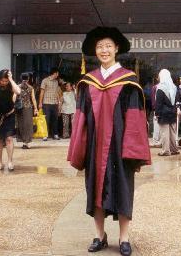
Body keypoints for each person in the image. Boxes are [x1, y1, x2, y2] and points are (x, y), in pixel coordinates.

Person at [67, 26, 151, 256]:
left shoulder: (128, 81)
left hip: (120, 144)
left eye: (108, 46)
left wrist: (133, 149)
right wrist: (80, 146)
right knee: (95, 187)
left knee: (123, 187)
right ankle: (99, 235)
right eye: (100, 47)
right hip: (95, 145)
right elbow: (81, 117)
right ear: (95, 51)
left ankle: (124, 238)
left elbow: (135, 118)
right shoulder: (88, 82)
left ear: (116, 49)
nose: (104, 50)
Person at [0, 69, 21, 171]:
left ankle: (10, 161)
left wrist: (11, 79)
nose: (4, 83)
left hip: (9, 116)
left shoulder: (11, 85)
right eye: (2, 81)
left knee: (9, 138)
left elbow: (18, 91)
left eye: (6, 81)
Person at [155, 69, 180, 156]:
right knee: (172, 132)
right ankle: (174, 149)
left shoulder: (160, 88)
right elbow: (176, 100)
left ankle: (165, 151)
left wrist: (157, 113)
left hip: (163, 113)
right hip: (173, 112)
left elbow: (158, 103)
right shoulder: (174, 87)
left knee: (164, 132)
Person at [39, 67, 63, 140]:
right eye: (57, 73)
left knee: (55, 120)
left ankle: (55, 134)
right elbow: (42, 92)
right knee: (46, 120)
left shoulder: (56, 82)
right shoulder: (45, 80)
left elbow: (57, 93)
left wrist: (59, 103)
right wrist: (40, 103)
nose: (58, 75)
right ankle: (45, 135)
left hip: (55, 103)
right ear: (54, 73)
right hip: (46, 103)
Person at [16, 72, 37, 149]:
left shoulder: (17, 87)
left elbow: (14, 97)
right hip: (28, 108)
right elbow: (33, 99)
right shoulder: (31, 88)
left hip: (19, 108)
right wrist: (36, 109)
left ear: (21, 78)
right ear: (28, 79)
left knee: (21, 124)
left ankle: (23, 141)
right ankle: (26, 142)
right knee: (28, 125)